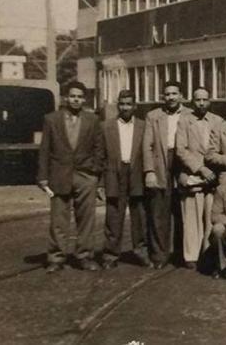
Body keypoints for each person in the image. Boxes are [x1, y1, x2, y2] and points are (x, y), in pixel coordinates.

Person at [37, 81, 103, 273]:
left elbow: (99, 148)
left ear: (84, 99)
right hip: (59, 175)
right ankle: (56, 258)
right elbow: (44, 149)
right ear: (65, 98)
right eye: (72, 96)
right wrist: (43, 177)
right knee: (58, 219)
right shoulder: (51, 119)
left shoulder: (92, 120)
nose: (76, 100)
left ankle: (85, 256)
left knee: (86, 219)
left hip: (85, 176)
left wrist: (94, 172)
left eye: (80, 97)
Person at [100, 89, 150, 269]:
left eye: (129, 104)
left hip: (136, 173)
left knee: (140, 216)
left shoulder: (144, 126)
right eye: (122, 104)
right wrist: (101, 183)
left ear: (135, 106)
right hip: (115, 172)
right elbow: (100, 156)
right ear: (117, 105)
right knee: (113, 215)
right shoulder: (106, 126)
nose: (125, 108)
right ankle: (110, 254)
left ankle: (141, 251)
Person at [143, 81, 191, 269]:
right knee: (159, 212)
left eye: (174, 93)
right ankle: (159, 255)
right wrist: (149, 171)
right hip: (160, 162)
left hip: (183, 163)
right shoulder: (153, 116)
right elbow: (147, 146)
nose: (171, 97)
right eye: (167, 94)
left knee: (182, 211)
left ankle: (181, 254)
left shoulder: (190, 114)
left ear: (181, 95)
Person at [175, 86, 223, 269]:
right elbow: (181, 150)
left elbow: (220, 147)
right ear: (192, 101)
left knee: (211, 217)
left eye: (205, 99)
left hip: (213, 176)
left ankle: (208, 255)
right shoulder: (184, 121)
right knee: (191, 218)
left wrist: (213, 170)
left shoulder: (218, 121)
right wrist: (200, 168)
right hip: (193, 174)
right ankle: (191, 256)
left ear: (210, 101)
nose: (201, 103)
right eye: (198, 99)